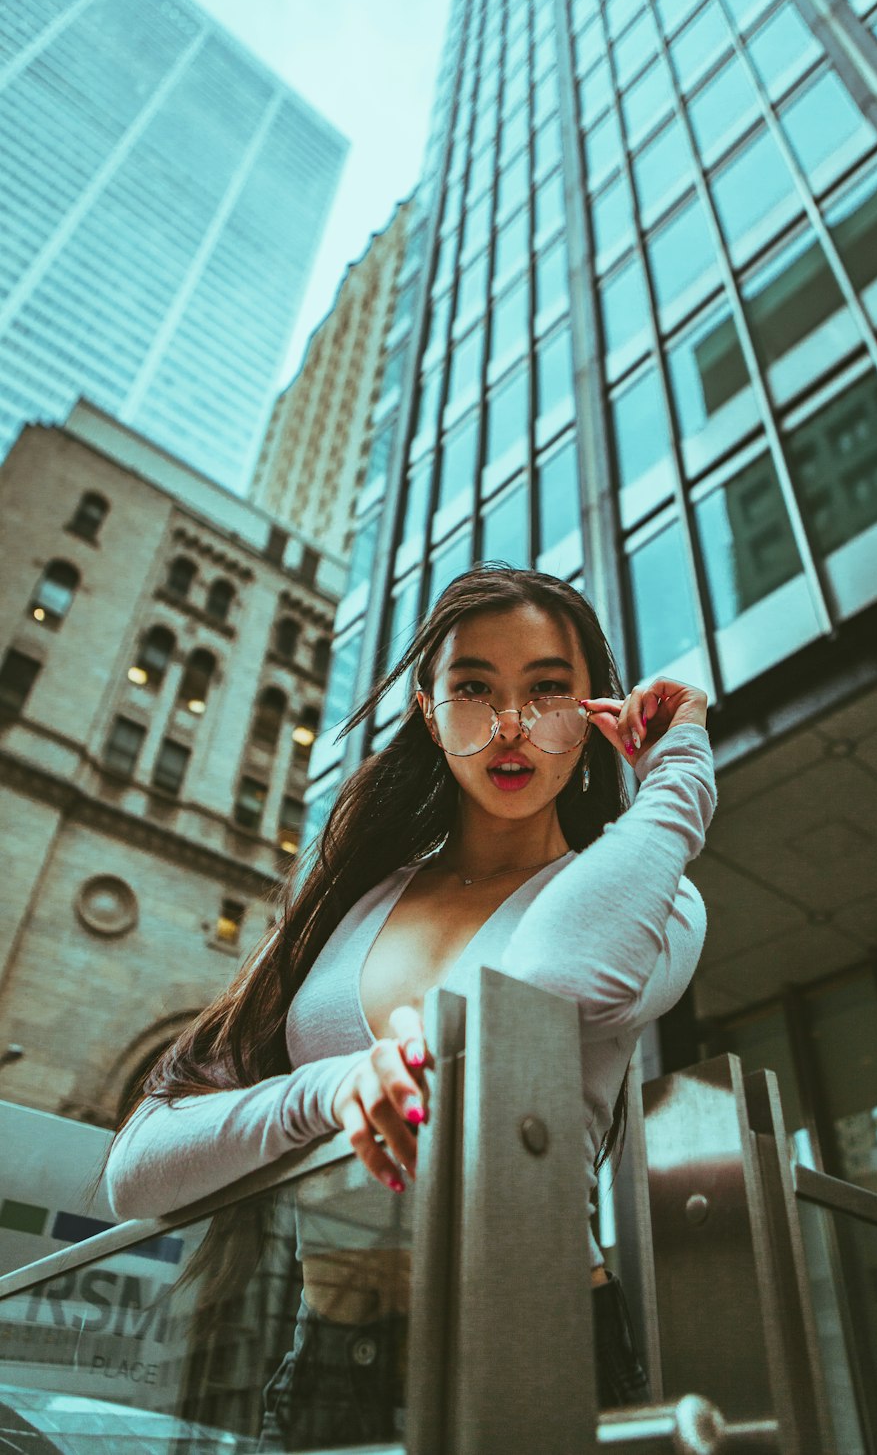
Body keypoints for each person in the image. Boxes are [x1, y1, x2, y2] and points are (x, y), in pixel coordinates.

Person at [104, 563, 716, 1448]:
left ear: (595, 716)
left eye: (548, 692)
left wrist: (681, 775)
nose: (510, 728)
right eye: (473, 690)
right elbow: (137, 1168)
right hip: (324, 1369)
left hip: (539, 1350)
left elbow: (541, 989)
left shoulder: (651, 896)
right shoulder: (348, 902)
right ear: (429, 713)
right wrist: (329, 1090)